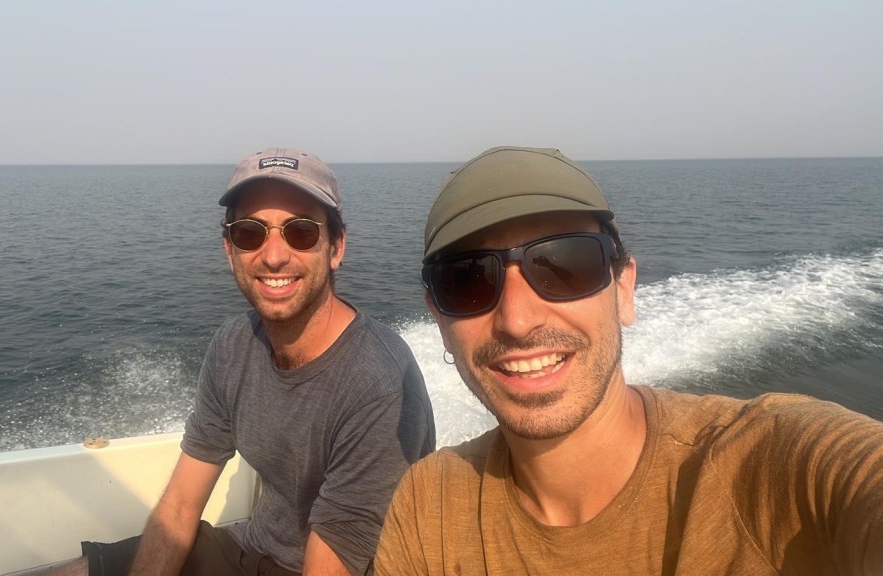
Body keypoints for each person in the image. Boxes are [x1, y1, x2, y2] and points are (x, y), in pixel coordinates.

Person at [374, 146, 883, 575]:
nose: (517, 319)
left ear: (624, 287)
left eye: (565, 265)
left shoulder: (775, 467)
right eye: (466, 280)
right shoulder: (430, 506)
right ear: (438, 317)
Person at [59, 147, 435, 576]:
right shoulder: (234, 344)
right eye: (250, 233)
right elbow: (181, 505)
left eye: (301, 232)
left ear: (336, 248)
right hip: (248, 552)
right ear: (229, 249)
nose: (273, 256)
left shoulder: (378, 384)